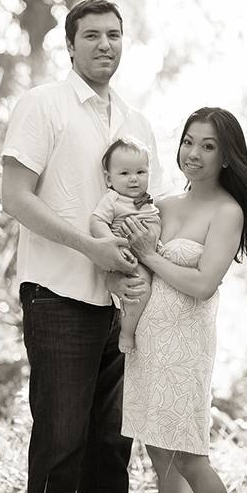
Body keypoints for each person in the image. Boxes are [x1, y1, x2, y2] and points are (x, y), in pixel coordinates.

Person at [0, 0, 173, 493]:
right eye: (92, 35)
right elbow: (14, 197)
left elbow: (151, 209)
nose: (105, 45)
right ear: (70, 45)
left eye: (114, 35)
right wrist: (90, 247)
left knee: (111, 445)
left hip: (122, 305)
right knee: (60, 441)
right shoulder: (42, 105)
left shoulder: (136, 123)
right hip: (57, 295)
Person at [119, 107, 247, 493]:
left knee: (190, 459)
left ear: (226, 156)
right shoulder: (162, 205)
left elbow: (203, 285)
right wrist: (121, 276)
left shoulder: (227, 212)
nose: (194, 153)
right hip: (147, 341)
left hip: (186, 347)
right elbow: (130, 262)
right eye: (188, 141)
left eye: (208, 146)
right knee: (162, 460)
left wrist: (150, 255)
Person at [90, 136, 162, 354]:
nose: (133, 179)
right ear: (109, 178)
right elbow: (96, 222)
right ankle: (127, 332)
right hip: (127, 257)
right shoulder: (113, 199)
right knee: (140, 287)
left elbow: (156, 223)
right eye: (124, 173)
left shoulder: (148, 200)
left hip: (151, 255)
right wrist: (115, 245)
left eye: (140, 172)